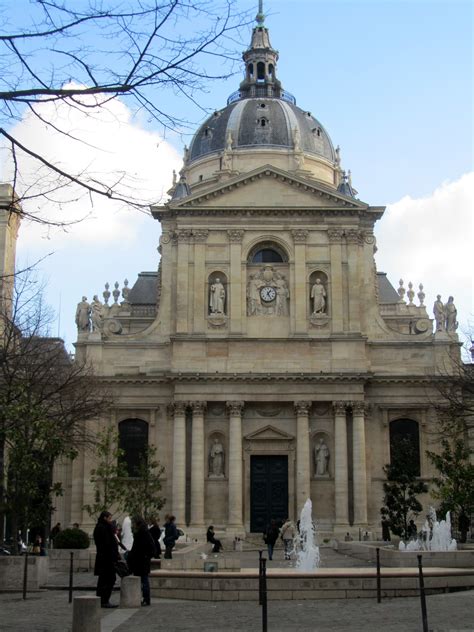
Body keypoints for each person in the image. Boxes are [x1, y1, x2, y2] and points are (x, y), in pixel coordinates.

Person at [127, 516, 156, 606]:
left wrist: (132, 556)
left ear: (137, 523)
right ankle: (144, 599)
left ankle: (145, 599)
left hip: (140, 561)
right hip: (142, 560)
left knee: (143, 581)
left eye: (133, 523)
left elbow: (137, 548)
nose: (132, 525)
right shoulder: (144, 532)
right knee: (143, 580)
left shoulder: (141, 533)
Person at [93, 510, 120, 608]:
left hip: (105, 558)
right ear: (104, 518)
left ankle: (102, 599)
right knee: (108, 579)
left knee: (104, 580)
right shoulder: (103, 528)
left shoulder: (102, 527)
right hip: (106, 559)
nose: (110, 520)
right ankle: (103, 600)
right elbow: (107, 544)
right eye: (109, 518)